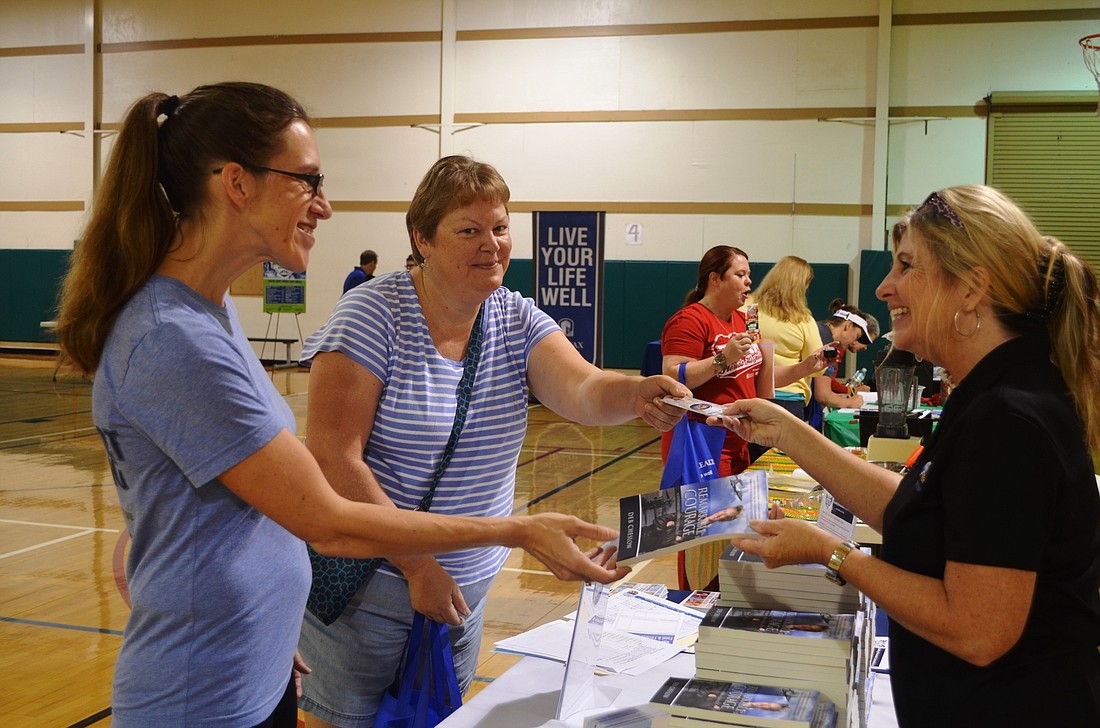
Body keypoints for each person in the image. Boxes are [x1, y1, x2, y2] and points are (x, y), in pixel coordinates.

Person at [52, 83, 637, 728]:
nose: (324, 207)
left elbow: (246, 493)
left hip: (255, 668)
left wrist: (272, 628)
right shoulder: (174, 336)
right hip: (202, 696)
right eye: (306, 181)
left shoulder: (210, 313)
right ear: (238, 184)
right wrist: (519, 529)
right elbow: (328, 517)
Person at [296, 154, 689, 727]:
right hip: (372, 592)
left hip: (463, 596)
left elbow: (581, 387)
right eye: (469, 230)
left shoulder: (514, 317)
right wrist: (417, 567)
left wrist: (634, 394)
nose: (492, 244)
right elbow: (334, 460)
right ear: (422, 240)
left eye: (500, 227)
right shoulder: (371, 315)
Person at [717, 185, 1100, 726]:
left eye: (905, 266)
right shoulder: (992, 394)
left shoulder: (1008, 418)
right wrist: (787, 433)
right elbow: (920, 507)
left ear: (970, 288)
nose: (883, 286)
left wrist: (831, 553)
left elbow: (976, 629)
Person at [659, 245, 827, 590]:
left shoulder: (743, 320)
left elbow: (760, 379)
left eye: (749, 275)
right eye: (741, 275)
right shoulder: (690, 320)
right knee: (705, 534)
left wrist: (805, 367)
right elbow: (672, 375)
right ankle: (695, 601)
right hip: (704, 446)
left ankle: (722, 599)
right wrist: (722, 359)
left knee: (735, 532)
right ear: (715, 279)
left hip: (740, 442)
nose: (749, 282)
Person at [749, 255, 825, 421]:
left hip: (752, 393)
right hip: (789, 400)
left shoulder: (746, 308)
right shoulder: (803, 319)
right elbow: (817, 366)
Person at [806, 301, 876, 428]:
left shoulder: (819, 330)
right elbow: (823, 395)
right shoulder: (826, 341)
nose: (855, 342)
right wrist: (850, 402)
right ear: (848, 326)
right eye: (857, 336)